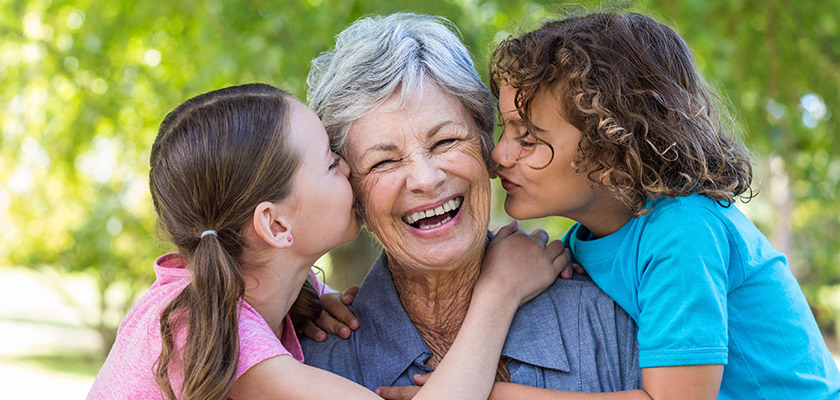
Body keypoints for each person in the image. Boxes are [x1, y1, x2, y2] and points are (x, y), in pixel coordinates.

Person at [86, 83, 572, 400]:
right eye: (330, 162)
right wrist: (500, 291)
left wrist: (309, 295)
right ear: (276, 227)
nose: (350, 169)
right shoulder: (214, 333)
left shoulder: (233, 298)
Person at [489, 11, 840, 399]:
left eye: (528, 138)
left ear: (612, 149)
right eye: (504, 130)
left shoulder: (682, 230)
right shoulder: (585, 240)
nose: (499, 154)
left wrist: (485, 393)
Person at [300, 12, 642, 397]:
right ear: (352, 196)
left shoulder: (611, 316)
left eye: (445, 141)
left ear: (486, 150)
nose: (427, 180)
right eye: (384, 161)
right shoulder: (310, 364)